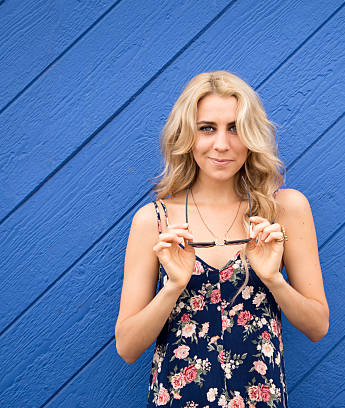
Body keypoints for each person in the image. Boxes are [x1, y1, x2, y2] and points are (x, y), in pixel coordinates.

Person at [114, 70, 329, 407]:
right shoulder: (154, 221)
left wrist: (274, 279)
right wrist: (172, 286)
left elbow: (318, 326)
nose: (222, 144)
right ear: (187, 135)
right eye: (207, 128)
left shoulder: (283, 210)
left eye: (235, 128)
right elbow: (127, 348)